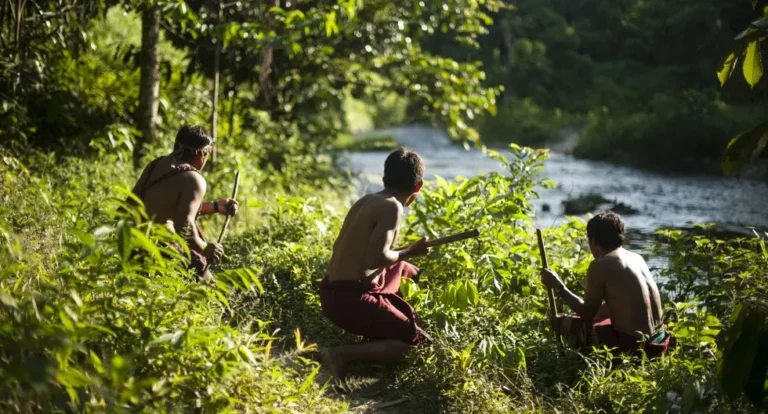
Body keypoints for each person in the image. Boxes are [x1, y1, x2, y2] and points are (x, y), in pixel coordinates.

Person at [318, 147, 431, 379]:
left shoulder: (367, 200)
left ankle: (384, 329)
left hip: (332, 293)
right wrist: (410, 250)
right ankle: (341, 355)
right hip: (349, 302)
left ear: (384, 179)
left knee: (406, 269)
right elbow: (375, 258)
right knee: (415, 346)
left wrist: (405, 257)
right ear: (418, 186)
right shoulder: (393, 207)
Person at [539, 211, 671, 358]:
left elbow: (587, 313)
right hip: (659, 342)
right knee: (595, 317)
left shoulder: (601, 264)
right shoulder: (637, 258)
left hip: (636, 349)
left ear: (593, 241)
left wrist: (559, 286)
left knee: (562, 323)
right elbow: (625, 305)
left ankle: (579, 366)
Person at [129, 125, 239, 281]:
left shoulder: (156, 164)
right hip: (159, 249)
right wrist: (204, 247)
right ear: (202, 154)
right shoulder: (194, 179)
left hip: (130, 242)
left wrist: (215, 206)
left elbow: (165, 206)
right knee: (209, 288)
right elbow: (184, 225)